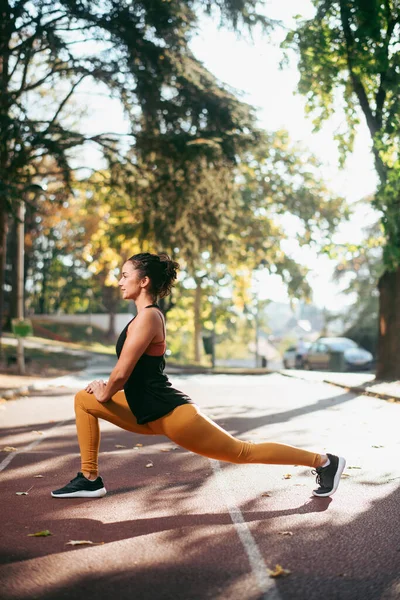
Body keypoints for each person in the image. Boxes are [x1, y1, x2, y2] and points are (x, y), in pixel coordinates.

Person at [51, 252, 346, 500]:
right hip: (147, 411)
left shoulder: (149, 317)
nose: (119, 281)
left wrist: (106, 390)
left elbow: (123, 371)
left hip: (173, 415)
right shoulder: (140, 318)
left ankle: (324, 461)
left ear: (144, 281)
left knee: (241, 452)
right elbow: (129, 373)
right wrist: (102, 391)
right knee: (84, 400)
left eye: (125, 275)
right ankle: (89, 478)